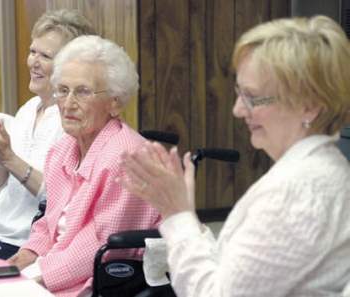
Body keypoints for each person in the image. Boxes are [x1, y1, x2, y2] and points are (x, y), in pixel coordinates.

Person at [119, 15, 350, 297]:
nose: (238, 110)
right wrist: (186, 218)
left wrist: (176, 214)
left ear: (310, 106)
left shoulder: (296, 191)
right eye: (239, 93)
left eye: (253, 97)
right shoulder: (314, 172)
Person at [8, 35, 160, 297]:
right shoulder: (62, 150)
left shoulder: (128, 157)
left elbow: (100, 243)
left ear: (115, 102)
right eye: (63, 90)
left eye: (83, 91)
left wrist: (35, 277)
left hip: (101, 281)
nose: (68, 104)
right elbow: (49, 222)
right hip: (54, 269)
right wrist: (26, 255)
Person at [0, 9, 95, 259]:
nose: (33, 62)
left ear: (71, 66)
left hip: (25, 244)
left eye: (45, 55)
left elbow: (61, 201)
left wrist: (8, 157)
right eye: (32, 51)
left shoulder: (73, 121)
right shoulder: (28, 109)